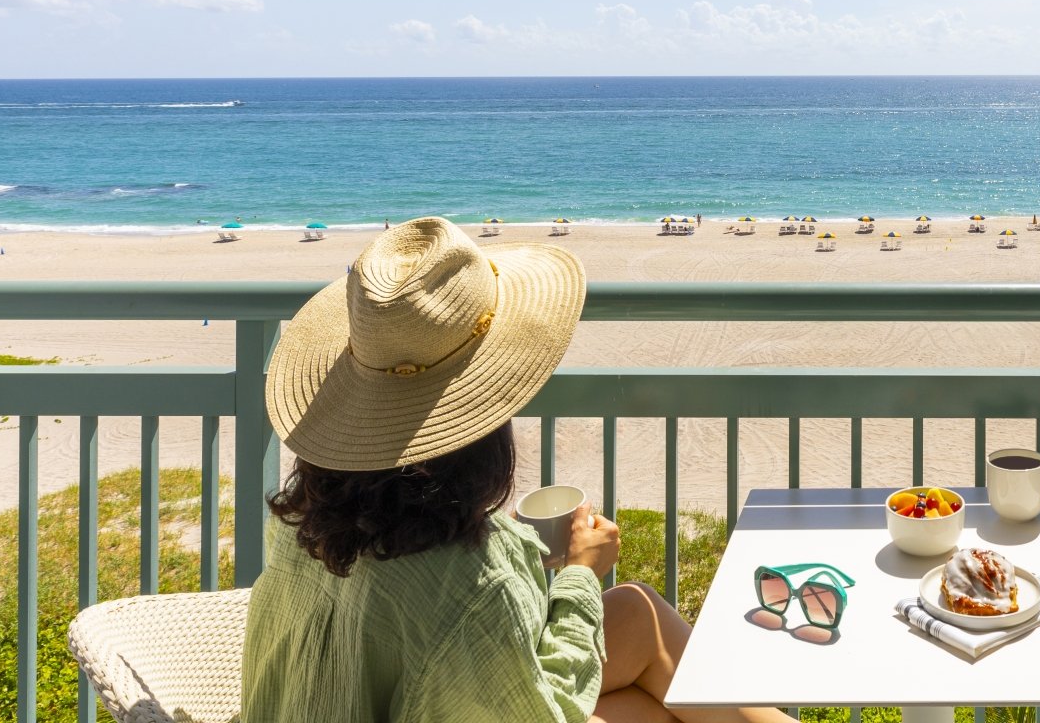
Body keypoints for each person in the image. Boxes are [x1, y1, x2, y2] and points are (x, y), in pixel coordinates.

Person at [241, 217, 791, 723]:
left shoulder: (304, 524)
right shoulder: (475, 581)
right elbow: (529, 709)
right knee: (658, 710)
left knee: (636, 610)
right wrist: (578, 573)